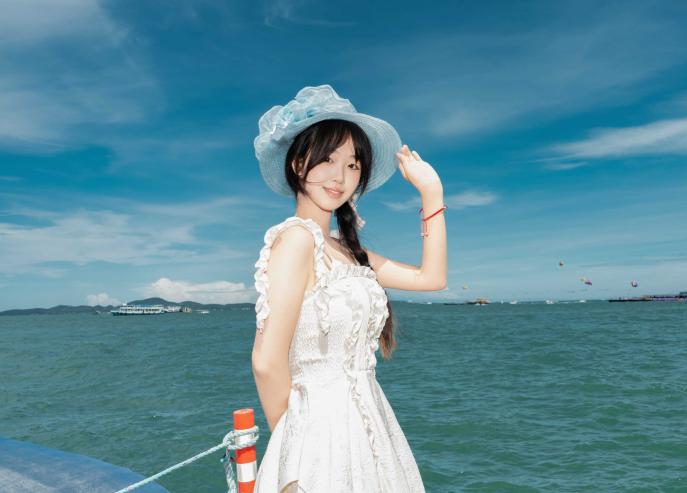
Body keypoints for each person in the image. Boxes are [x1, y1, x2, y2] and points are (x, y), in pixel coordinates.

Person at [251, 85, 446, 492]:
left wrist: (432, 193)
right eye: (327, 159)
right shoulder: (296, 240)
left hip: (369, 425)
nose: (340, 176)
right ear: (298, 163)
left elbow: (431, 278)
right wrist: (292, 451)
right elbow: (267, 361)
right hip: (318, 439)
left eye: (353, 165)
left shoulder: (348, 252)